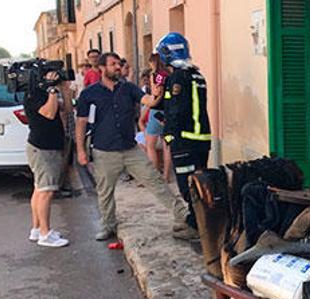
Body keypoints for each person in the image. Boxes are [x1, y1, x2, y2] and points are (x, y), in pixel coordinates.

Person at [74, 52, 195, 241]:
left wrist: (157, 93)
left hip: (130, 150)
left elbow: (150, 101)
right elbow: (81, 122)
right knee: (105, 192)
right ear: (102, 68)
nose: (117, 67)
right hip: (104, 151)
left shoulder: (128, 88)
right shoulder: (89, 94)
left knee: (156, 182)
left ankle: (183, 217)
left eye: (119, 64)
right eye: (113, 64)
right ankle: (108, 225)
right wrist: (80, 150)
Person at [155, 33, 212, 233]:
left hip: (185, 140)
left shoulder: (177, 77)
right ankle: (195, 221)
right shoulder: (196, 74)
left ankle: (197, 227)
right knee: (200, 181)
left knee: (188, 186)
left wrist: (169, 134)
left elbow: (176, 109)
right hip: (201, 139)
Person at [25, 71, 71, 248]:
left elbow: (66, 109)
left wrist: (64, 90)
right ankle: (45, 233)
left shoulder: (43, 93)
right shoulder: (35, 95)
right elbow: (50, 113)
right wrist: (52, 89)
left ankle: (37, 229)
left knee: (39, 189)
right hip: (43, 149)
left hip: (45, 148)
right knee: (46, 191)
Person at [141, 53, 171, 181]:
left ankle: (154, 176)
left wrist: (152, 100)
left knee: (150, 145)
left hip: (156, 111)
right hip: (168, 111)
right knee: (167, 145)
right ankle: (166, 176)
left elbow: (156, 92)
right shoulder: (169, 74)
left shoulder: (155, 75)